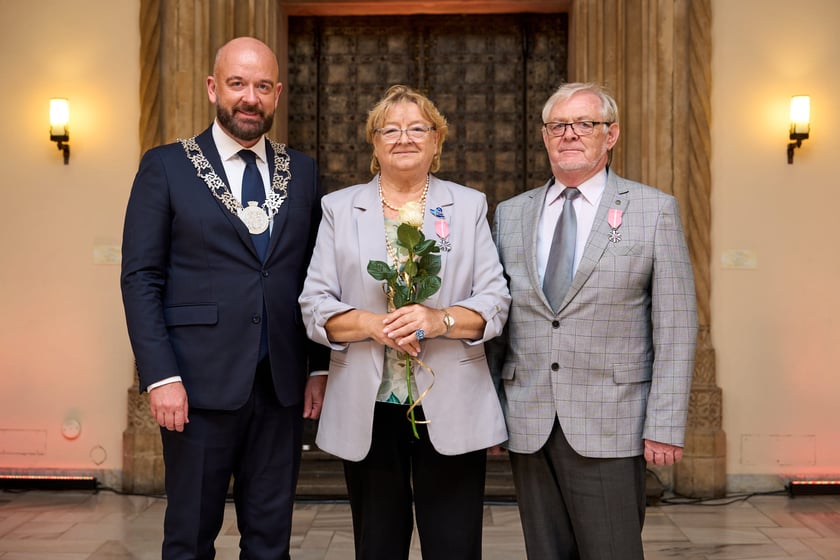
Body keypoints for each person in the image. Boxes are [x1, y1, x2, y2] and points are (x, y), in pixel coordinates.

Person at [120, 36, 328, 559]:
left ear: (277, 94)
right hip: (195, 388)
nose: (249, 98)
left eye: (262, 86)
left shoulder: (302, 172)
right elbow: (141, 278)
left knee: (270, 543)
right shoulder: (166, 166)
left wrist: (320, 366)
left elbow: (317, 276)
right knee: (189, 540)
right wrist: (161, 377)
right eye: (237, 84)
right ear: (214, 88)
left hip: (280, 387)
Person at [298, 84, 511, 560]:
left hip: (450, 398)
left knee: (454, 547)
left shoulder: (468, 205)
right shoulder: (339, 208)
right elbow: (314, 305)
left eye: (417, 128)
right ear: (373, 143)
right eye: (389, 129)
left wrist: (440, 319)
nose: (404, 138)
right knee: (378, 546)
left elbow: (495, 301)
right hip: (370, 404)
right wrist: (373, 325)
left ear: (437, 139)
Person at [491, 82, 698, 559]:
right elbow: (500, 321)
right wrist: (490, 412)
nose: (569, 134)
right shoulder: (511, 214)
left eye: (585, 123)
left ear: (611, 135)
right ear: (544, 136)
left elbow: (676, 325)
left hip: (613, 419)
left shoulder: (653, 210)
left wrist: (665, 423)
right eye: (558, 125)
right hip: (529, 417)